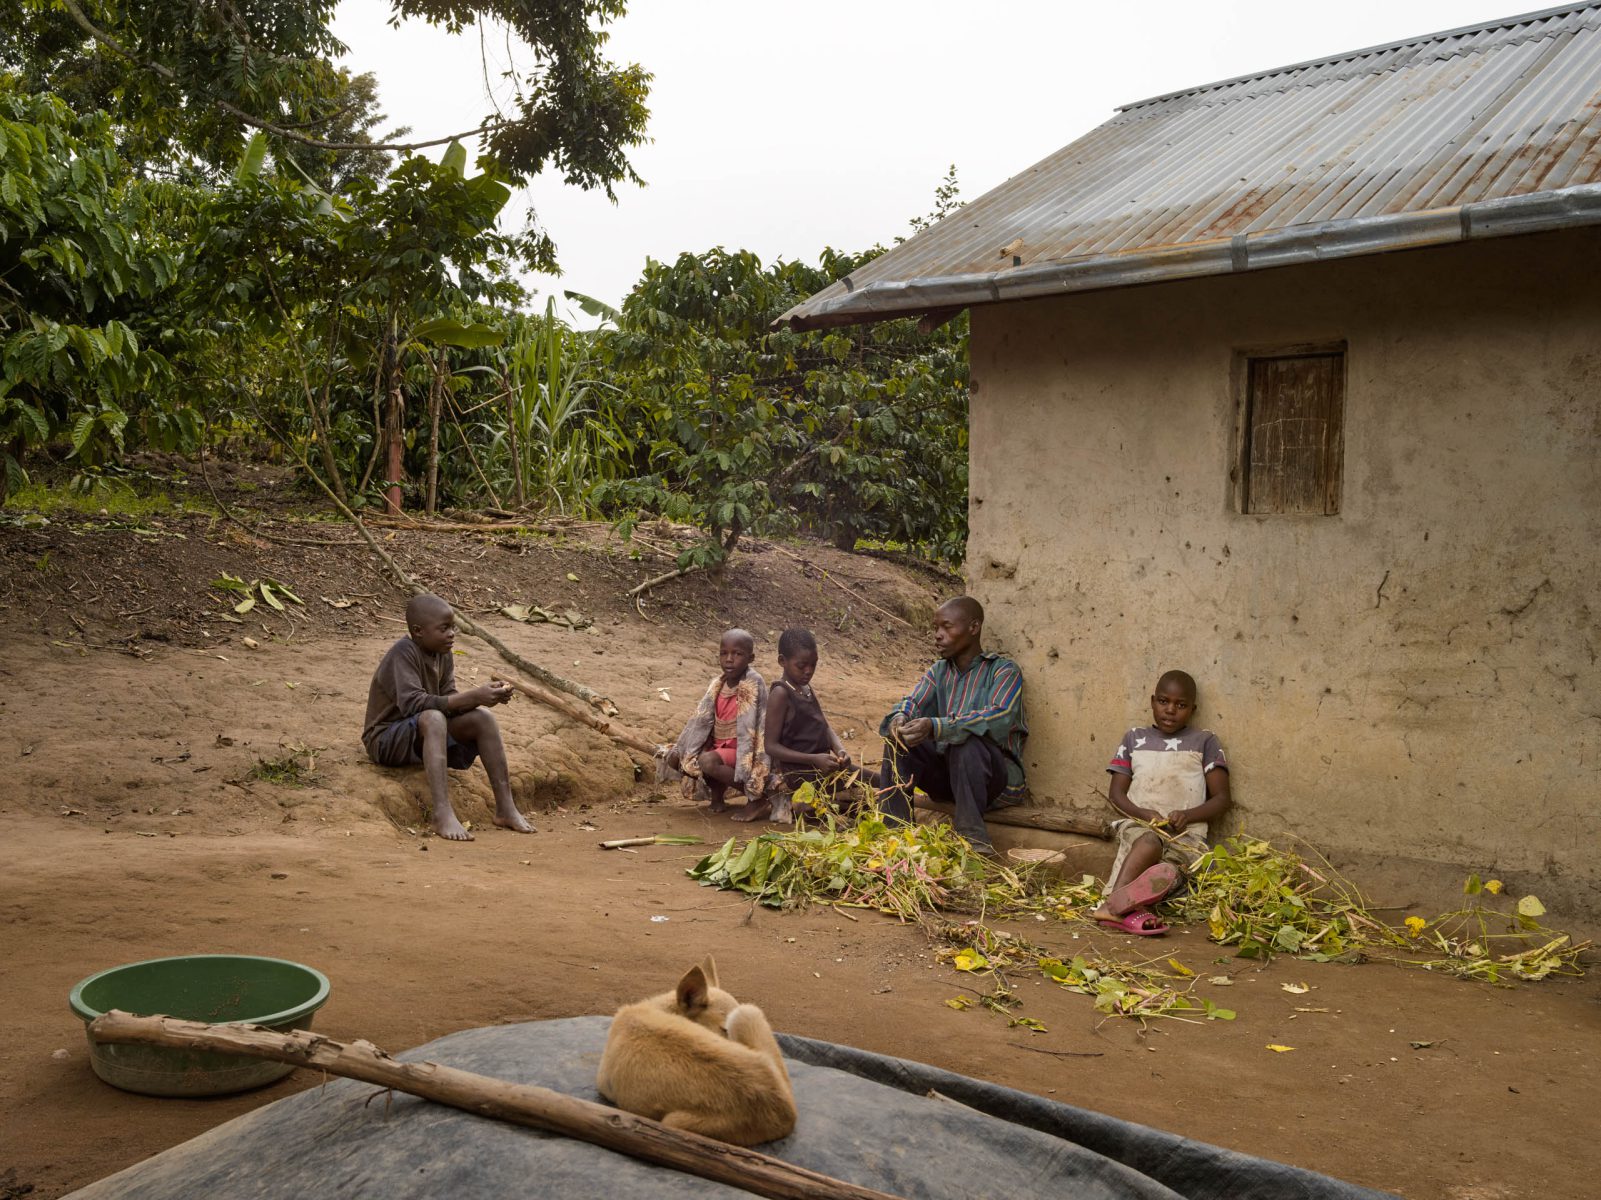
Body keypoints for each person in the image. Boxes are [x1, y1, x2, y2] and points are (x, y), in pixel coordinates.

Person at [362, 593, 534, 842]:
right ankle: (441, 813)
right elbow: (413, 704)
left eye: (452, 627)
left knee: (482, 718)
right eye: (444, 628)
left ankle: (505, 808)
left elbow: (449, 697)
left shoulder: (442, 652)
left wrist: (485, 698)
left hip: (419, 732)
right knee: (433, 718)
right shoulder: (402, 654)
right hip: (385, 739)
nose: (452, 634)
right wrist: (474, 695)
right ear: (419, 631)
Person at [876, 596, 1027, 856]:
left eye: (947, 627)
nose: (938, 635)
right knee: (898, 738)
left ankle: (973, 840)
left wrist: (938, 727)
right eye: (936, 628)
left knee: (965, 738)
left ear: (973, 627)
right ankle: (896, 834)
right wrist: (900, 718)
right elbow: (912, 702)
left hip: (994, 783)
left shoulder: (1003, 671)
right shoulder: (939, 671)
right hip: (950, 780)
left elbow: (1000, 718)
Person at [1091, 669, 1231, 936]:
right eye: (1164, 701)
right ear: (1152, 701)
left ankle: (1120, 906)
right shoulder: (1134, 738)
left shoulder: (1205, 741)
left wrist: (1188, 816)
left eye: (1181, 705)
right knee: (1149, 843)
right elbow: (1116, 795)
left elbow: (1223, 799)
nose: (1170, 710)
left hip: (1186, 836)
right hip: (1141, 827)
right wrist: (1143, 814)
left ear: (1193, 708)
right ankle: (1116, 904)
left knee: (1171, 872)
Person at [735, 627, 854, 824]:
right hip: (797, 773)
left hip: (821, 765)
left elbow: (824, 726)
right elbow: (771, 746)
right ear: (782, 661)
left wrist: (840, 750)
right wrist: (813, 759)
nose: (808, 671)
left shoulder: (806, 688)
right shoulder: (780, 694)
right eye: (801, 666)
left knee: (869, 781)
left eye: (813, 665)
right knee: (863, 788)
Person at [662, 629, 769, 813]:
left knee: (708, 761)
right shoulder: (717, 684)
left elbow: (755, 728)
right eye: (724, 653)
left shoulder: (753, 682)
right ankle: (717, 796)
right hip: (719, 745)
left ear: (750, 658)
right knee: (676, 756)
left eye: (737, 654)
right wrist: (693, 747)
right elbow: (702, 722)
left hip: (743, 750)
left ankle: (756, 797)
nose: (729, 659)